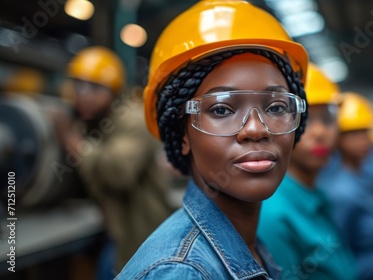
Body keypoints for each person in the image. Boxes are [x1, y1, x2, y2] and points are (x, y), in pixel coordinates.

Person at [115, 0, 309, 279]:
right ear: (183, 134)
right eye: (222, 109)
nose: (256, 129)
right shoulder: (181, 272)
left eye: (276, 107)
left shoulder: (249, 246)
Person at [58, 46, 183, 276]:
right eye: (79, 86)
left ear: (115, 91)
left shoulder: (132, 119)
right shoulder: (93, 122)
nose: (84, 94)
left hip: (141, 239)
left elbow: (118, 172)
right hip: (117, 234)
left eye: (95, 87)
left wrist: (73, 141)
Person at [258, 63, 357, 280]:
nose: (320, 132)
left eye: (328, 119)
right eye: (306, 119)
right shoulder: (272, 215)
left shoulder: (315, 196)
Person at [317, 93, 373, 280]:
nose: (363, 141)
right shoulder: (341, 192)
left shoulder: (365, 179)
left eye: (365, 133)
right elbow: (336, 252)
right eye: (353, 134)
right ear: (337, 138)